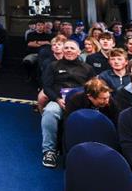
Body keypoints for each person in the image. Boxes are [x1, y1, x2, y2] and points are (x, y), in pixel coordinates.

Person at [40, 40, 95, 168]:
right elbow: (46, 87)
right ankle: (49, 151)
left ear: (78, 51)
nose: (69, 50)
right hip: (58, 100)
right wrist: (58, 99)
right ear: (63, 50)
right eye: (66, 48)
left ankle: (85, 151)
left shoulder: (88, 68)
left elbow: (93, 88)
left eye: (72, 48)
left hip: (80, 102)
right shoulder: (53, 66)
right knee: (49, 112)